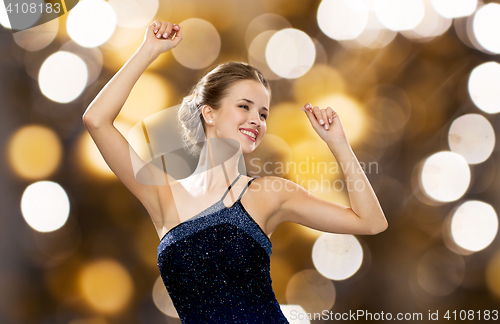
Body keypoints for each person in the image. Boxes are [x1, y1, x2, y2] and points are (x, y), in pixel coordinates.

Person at [82, 19, 388, 324]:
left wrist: (338, 143)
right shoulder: (163, 195)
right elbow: (97, 120)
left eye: (263, 113)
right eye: (245, 106)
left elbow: (371, 222)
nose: (257, 120)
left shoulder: (268, 194)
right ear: (209, 113)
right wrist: (149, 50)